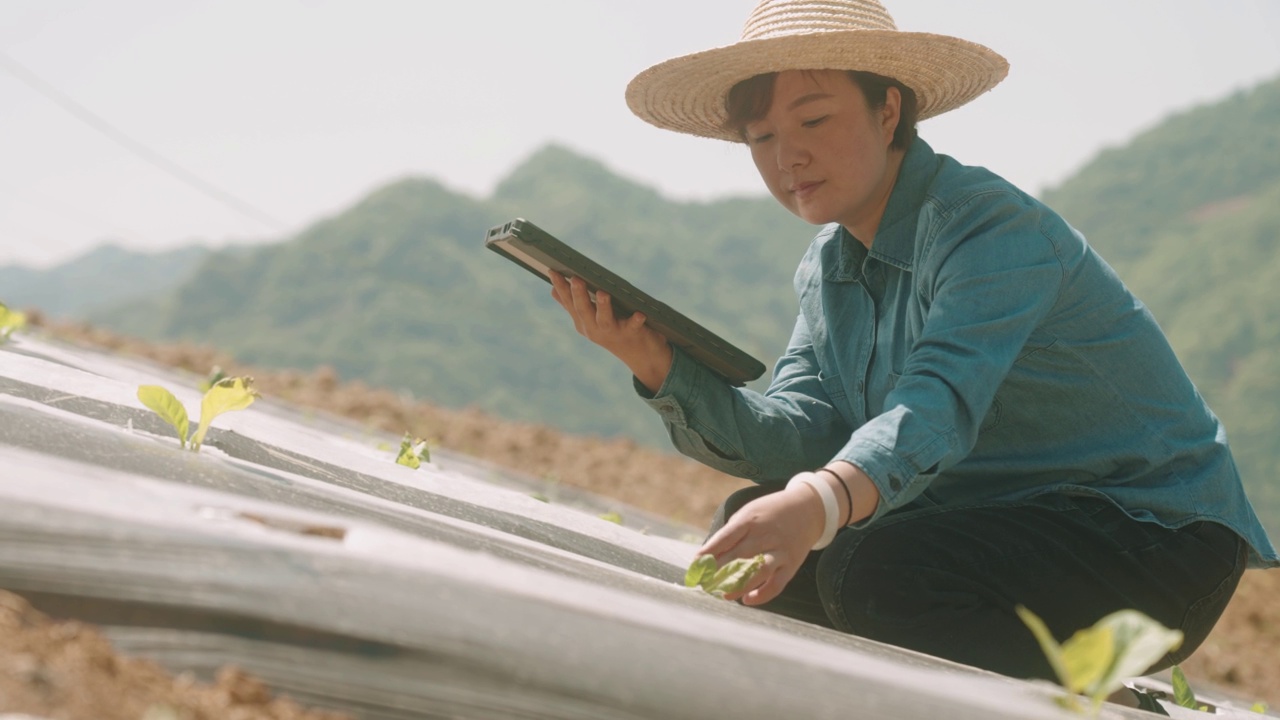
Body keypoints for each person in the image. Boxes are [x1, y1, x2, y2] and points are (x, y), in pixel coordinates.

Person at [549, 0, 1278, 702]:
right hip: (999, 522)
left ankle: (1088, 696)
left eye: (813, 117)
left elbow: (936, 406)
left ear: (888, 108)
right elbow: (801, 435)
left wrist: (816, 504)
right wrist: (657, 364)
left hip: (1151, 538)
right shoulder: (828, 267)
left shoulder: (988, 232)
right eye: (762, 138)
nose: (788, 155)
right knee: (757, 528)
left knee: (879, 572)